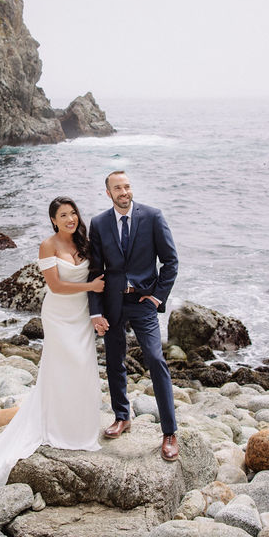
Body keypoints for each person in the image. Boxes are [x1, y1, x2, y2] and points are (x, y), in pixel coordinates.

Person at [0, 196, 105, 503]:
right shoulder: (47, 246)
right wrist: (91, 288)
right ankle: (57, 427)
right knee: (60, 369)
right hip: (60, 314)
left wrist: (101, 307)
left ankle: (81, 426)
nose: (70, 218)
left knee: (83, 367)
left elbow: (101, 273)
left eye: (73, 213)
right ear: (53, 220)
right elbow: (56, 286)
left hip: (81, 315)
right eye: (63, 215)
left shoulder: (86, 243)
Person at [88, 170, 180, 461]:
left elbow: (170, 261)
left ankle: (169, 432)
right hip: (113, 302)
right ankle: (122, 416)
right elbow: (95, 271)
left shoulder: (152, 217)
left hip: (143, 303)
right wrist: (96, 311)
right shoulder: (99, 223)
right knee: (115, 361)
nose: (124, 192)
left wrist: (156, 297)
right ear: (108, 193)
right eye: (117, 188)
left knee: (155, 358)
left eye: (127, 186)